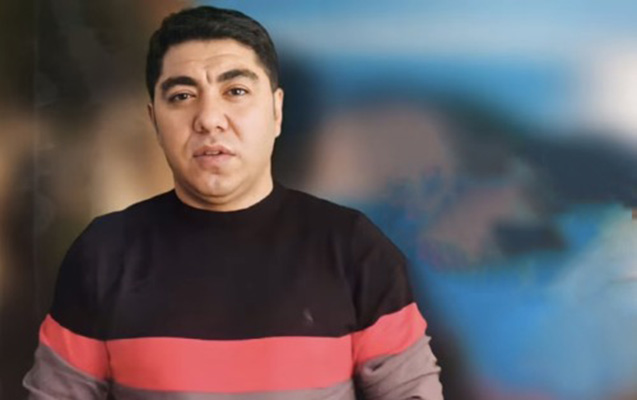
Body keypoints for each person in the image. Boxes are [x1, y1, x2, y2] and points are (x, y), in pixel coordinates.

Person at [23, 5, 443, 399]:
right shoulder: (103, 253)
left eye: (236, 90)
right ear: (154, 120)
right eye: (182, 96)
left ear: (276, 111)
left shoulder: (354, 249)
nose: (209, 118)